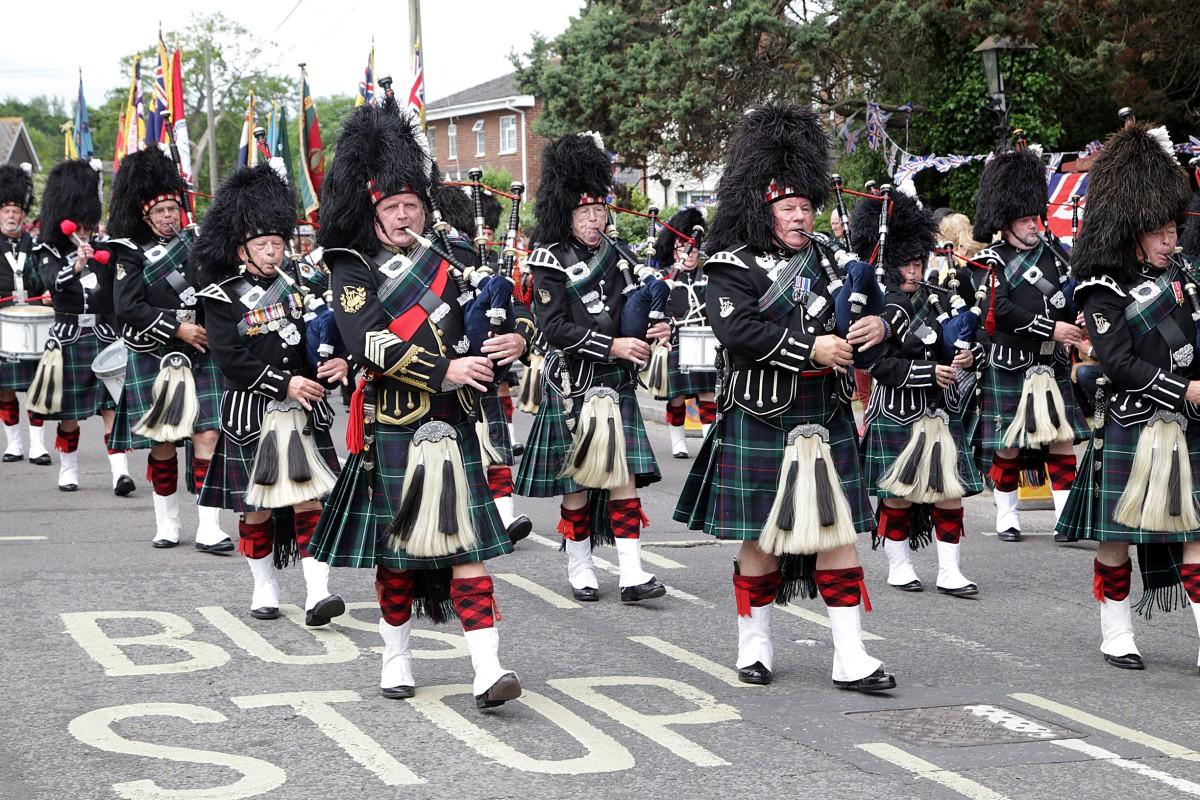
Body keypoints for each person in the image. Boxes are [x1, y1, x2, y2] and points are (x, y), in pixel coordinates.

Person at [308, 99, 523, 709]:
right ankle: (395, 655)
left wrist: (515, 339)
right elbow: (368, 342)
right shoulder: (350, 268)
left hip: (456, 426)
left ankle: (487, 670)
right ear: (372, 212)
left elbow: (497, 315)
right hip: (397, 424)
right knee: (399, 559)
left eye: (413, 205)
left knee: (468, 552)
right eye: (393, 208)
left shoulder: (453, 257)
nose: (406, 216)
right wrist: (444, 369)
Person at [674, 103, 896, 692]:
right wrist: (810, 350)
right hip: (761, 415)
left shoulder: (830, 258)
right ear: (762, 208)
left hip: (824, 417)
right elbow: (737, 331)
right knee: (760, 538)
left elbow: (869, 308)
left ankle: (850, 655)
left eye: (805, 206)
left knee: (839, 533)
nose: (800, 216)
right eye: (788, 207)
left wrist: (879, 326)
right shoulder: (730, 264)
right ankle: (756, 644)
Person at [1056, 122, 1200, 671]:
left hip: (1187, 424)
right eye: (1161, 232)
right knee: (1118, 537)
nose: (1172, 241)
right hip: (1133, 420)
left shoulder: (1184, 278)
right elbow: (1116, 362)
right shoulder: (1102, 289)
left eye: (1174, 230)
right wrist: (1185, 388)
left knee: (1195, 531)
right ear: (1133, 229)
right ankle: (1116, 632)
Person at [515, 132, 669, 604]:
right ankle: (580, 566)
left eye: (600, 211)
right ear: (567, 213)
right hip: (574, 383)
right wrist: (614, 346)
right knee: (579, 483)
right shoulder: (548, 261)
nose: (594, 220)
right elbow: (555, 327)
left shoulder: (621, 256)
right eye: (585, 213)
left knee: (621, 479)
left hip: (615, 382)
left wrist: (655, 331)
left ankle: (631, 574)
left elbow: (630, 314)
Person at [192, 163, 348, 626]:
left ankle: (318, 592)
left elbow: (331, 333)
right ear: (242, 249)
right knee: (256, 508)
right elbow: (230, 359)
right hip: (253, 413)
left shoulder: (305, 286)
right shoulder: (221, 297)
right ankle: (264, 585)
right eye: (262, 245)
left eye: (278, 243)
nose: (272, 252)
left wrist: (338, 362)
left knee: (310, 501)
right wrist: (284, 383)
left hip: (304, 409)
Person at [853, 189, 983, 596]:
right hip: (895, 410)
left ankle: (949, 571)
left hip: (938, 412)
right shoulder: (876, 307)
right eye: (907, 264)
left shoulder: (937, 299)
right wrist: (930, 372)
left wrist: (967, 357)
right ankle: (899, 564)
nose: (915, 270)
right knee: (898, 496)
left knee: (948, 492)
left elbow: (957, 345)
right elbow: (877, 364)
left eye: (918, 262)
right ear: (891, 266)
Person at [107, 148, 232, 552]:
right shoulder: (130, 252)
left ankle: (208, 525)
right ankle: (167, 521)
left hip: (201, 353)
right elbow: (128, 307)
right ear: (145, 214)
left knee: (208, 433)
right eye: (159, 210)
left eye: (172, 208)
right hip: (156, 355)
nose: (167, 216)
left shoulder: (198, 241)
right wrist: (178, 328)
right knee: (162, 442)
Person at [972, 142, 1088, 542]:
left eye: (1035, 217)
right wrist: (1051, 329)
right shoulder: (992, 260)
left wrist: (1080, 311)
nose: (1034, 225)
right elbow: (999, 310)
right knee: (1008, 443)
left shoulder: (1056, 254)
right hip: (1010, 362)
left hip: (1051, 363)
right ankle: (1007, 515)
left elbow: (1068, 295)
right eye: (1024, 220)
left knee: (1060, 438)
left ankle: (1064, 519)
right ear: (1005, 222)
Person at [28, 159, 133, 494]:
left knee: (112, 407)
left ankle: (120, 473)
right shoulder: (47, 250)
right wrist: (77, 264)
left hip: (103, 335)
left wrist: (103, 255)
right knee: (69, 414)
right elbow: (51, 282)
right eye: (81, 223)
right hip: (69, 336)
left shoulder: (103, 248)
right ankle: (68, 469)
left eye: (90, 223)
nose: (86, 230)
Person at [655, 207, 716, 458]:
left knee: (708, 393)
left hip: (704, 338)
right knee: (677, 397)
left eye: (693, 247)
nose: (689, 254)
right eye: (683, 247)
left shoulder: (709, 276)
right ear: (674, 249)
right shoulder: (664, 277)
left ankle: (708, 440)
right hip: (676, 341)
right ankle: (678, 441)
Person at [0, 163, 49, 465]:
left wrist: (46, 291)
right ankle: (14, 443)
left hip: (34, 318)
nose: (11, 215)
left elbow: (45, 275)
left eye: (16, 210)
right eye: (5, 209)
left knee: (37, 384)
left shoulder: (36, 243)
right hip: (2, 321)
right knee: (4, 387)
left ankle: (38, 445)